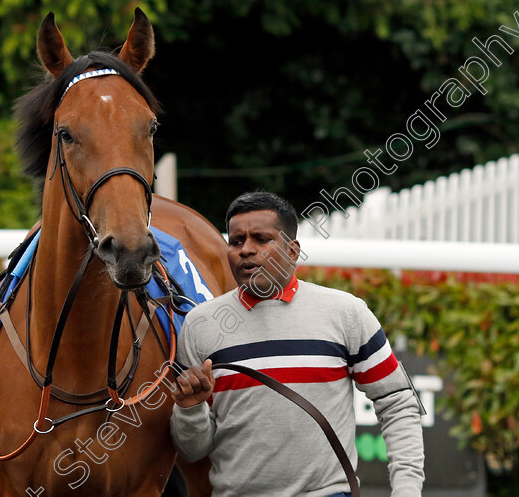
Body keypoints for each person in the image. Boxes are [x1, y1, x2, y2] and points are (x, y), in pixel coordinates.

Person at [169, 191, 425, 497]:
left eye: (261, 239)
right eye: (236, 241)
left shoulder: (346, 313)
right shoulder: (200, 325)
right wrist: (190, 408)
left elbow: (397, 401)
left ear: (293, 251)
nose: (246, 250)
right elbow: (193, 451)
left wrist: (407, 488)